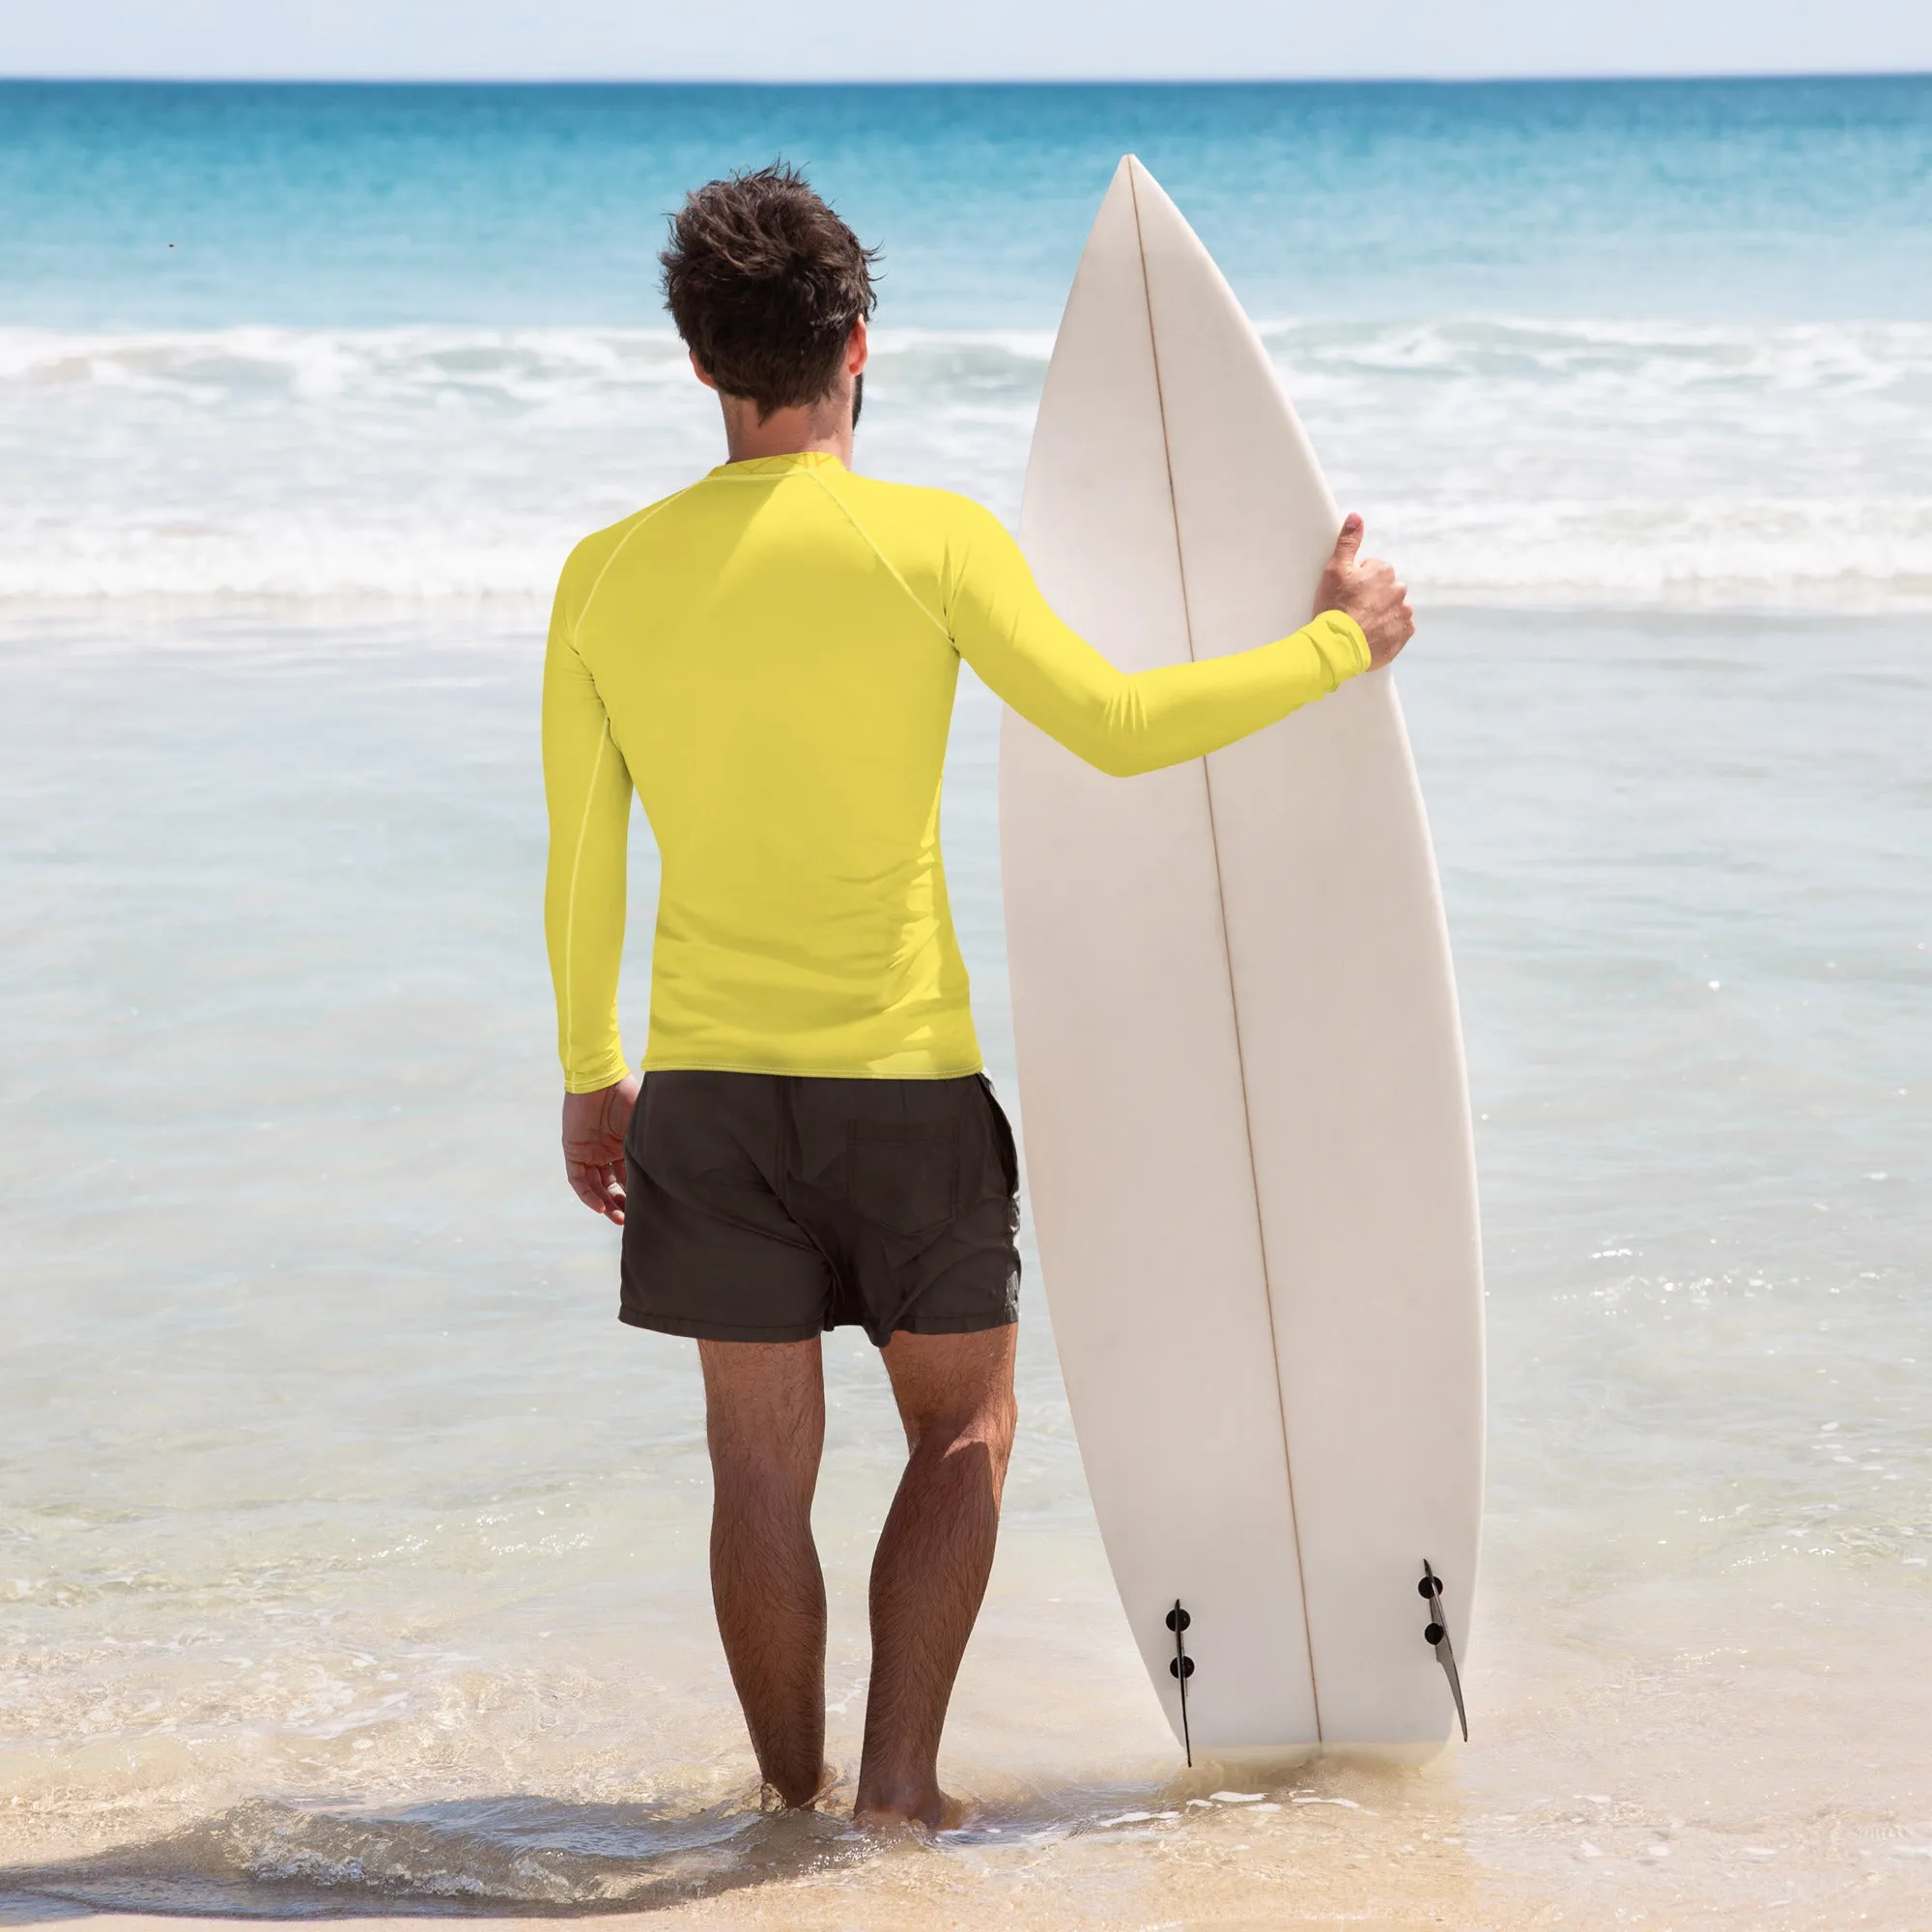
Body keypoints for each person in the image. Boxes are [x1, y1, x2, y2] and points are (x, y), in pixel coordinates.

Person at [542, 163, 1413, 1831]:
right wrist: (1333, 648)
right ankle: (898, 1794)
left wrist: (596, 1077)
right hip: (906, 1094)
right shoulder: (931, 542)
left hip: (711, 1100)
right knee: (965, 1435)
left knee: (756, 1470)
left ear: (697, 361)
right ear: (858, 340)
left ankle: (784, 1809)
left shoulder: (604, 575)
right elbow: (1116, 724)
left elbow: (585, 858)